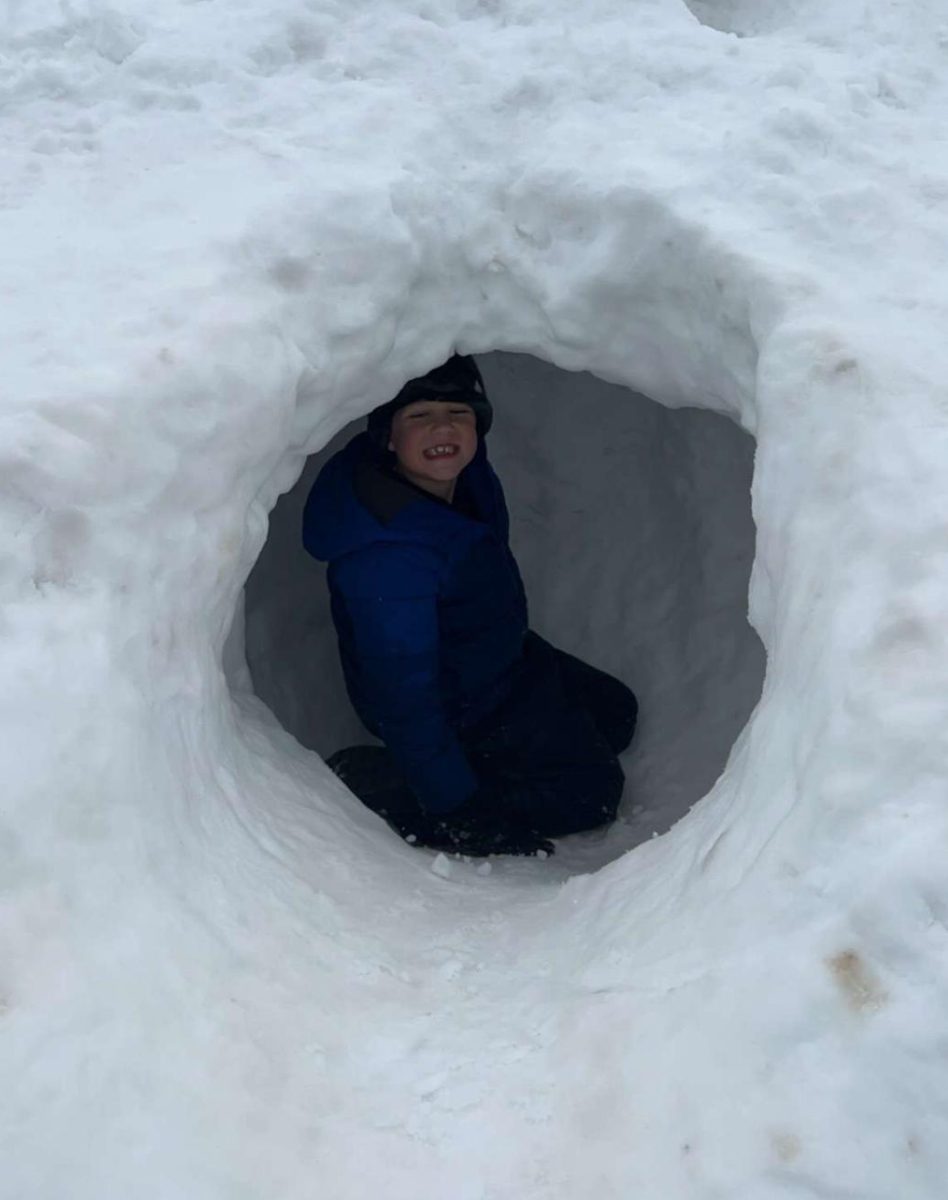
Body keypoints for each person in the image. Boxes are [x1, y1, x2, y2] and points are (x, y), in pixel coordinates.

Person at [302, 354, 638, 857]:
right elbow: (404, 696)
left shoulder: (456, 474)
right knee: (591, 796)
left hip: (496, 657)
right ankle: (395, 780)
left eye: (459, 413)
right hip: (454, 701)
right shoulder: (387, 561)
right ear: (388, 437)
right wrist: (455, 807)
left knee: (616, 714)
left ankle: (485, 759)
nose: (443, 428)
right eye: (419, 416)